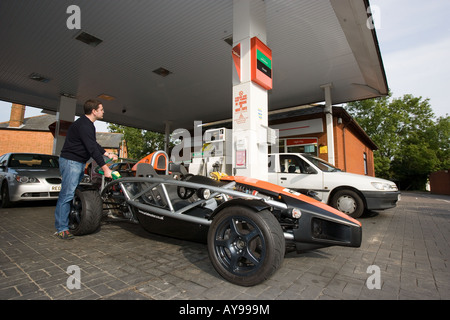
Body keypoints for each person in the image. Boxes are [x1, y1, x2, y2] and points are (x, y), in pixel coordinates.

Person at [54, 99, 117, 240]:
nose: (103, 112)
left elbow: (93, 144)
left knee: (70, 193)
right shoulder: (84, 125)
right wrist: (105, 168)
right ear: (94, 111)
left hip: (78, 162)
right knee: (67, 194)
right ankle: (61, 228)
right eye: (101, 109)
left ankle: (65, 223)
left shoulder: (87, 125)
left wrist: (107, 153)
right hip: (71, 162)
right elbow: (91, 149)